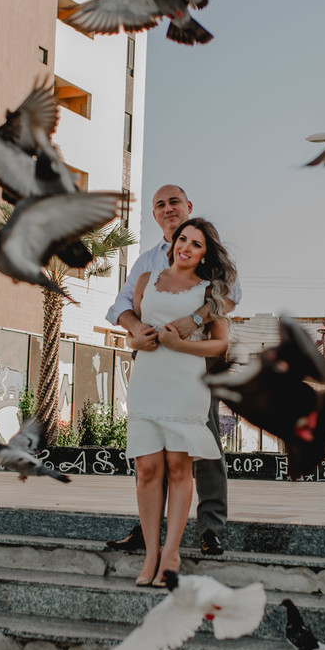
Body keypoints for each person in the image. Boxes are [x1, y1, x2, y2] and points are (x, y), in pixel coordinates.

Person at [104, 185, 242, 557]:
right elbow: (122, 303)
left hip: (194, 364)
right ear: (155, 215)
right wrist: (135, 329)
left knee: (204, 443)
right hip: (151, 362)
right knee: (149, 449)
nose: (168, 209)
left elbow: (229, 296)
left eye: (174, 202)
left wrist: (194, 318)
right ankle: (151, 530)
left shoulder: (210, 259)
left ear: (188, 206)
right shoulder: (147, 261)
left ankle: (211, 526)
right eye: (160, 205)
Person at [124, 218, 234, 586]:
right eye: (182, 239)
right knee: (147, 469)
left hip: (186, 381)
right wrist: (135, 341)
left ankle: (171, 554)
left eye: (196, 244)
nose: (185, 247)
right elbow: (137, 330)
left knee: (177, 467)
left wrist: (181, 345)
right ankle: (151, 555)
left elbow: (220, 344)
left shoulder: (208, 292)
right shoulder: (144, 281)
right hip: (147, 380)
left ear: (205, 254)